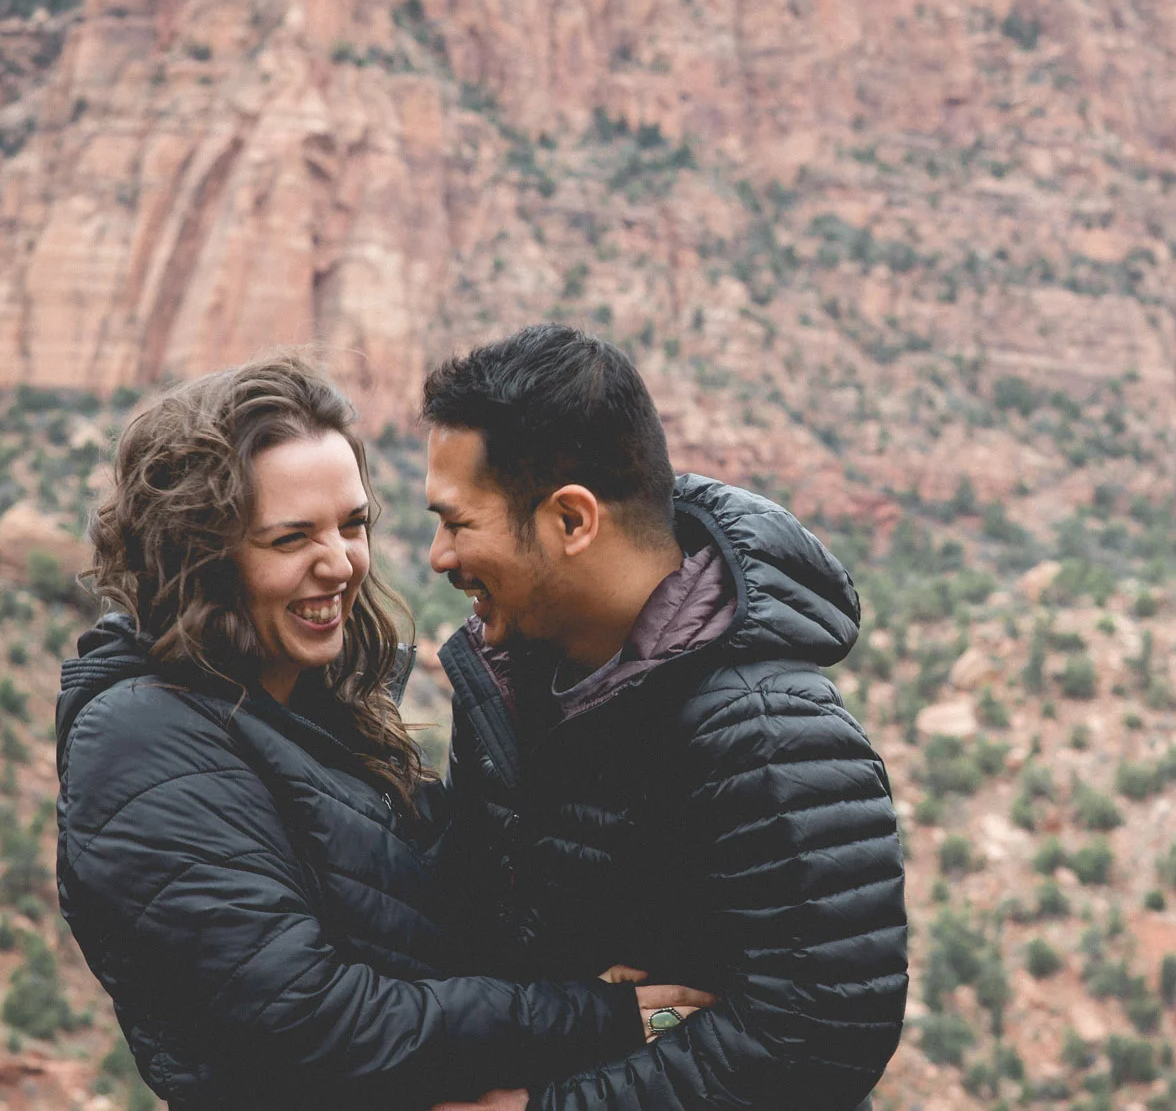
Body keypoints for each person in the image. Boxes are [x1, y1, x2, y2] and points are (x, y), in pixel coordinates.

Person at [55, 355, 712, 1110]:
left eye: (353, 524)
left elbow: (434, 932)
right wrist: (602, 1018)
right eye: (289, 538)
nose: (339, 564)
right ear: (201, 552)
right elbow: (314, 1020)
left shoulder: (317, 704)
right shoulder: (143, 738)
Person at [423, 324, 908, 1111]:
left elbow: (819, 1033)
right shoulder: (510, 678)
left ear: (573, 521)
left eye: (458, 522)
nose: (440, 554)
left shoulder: (765, 732)